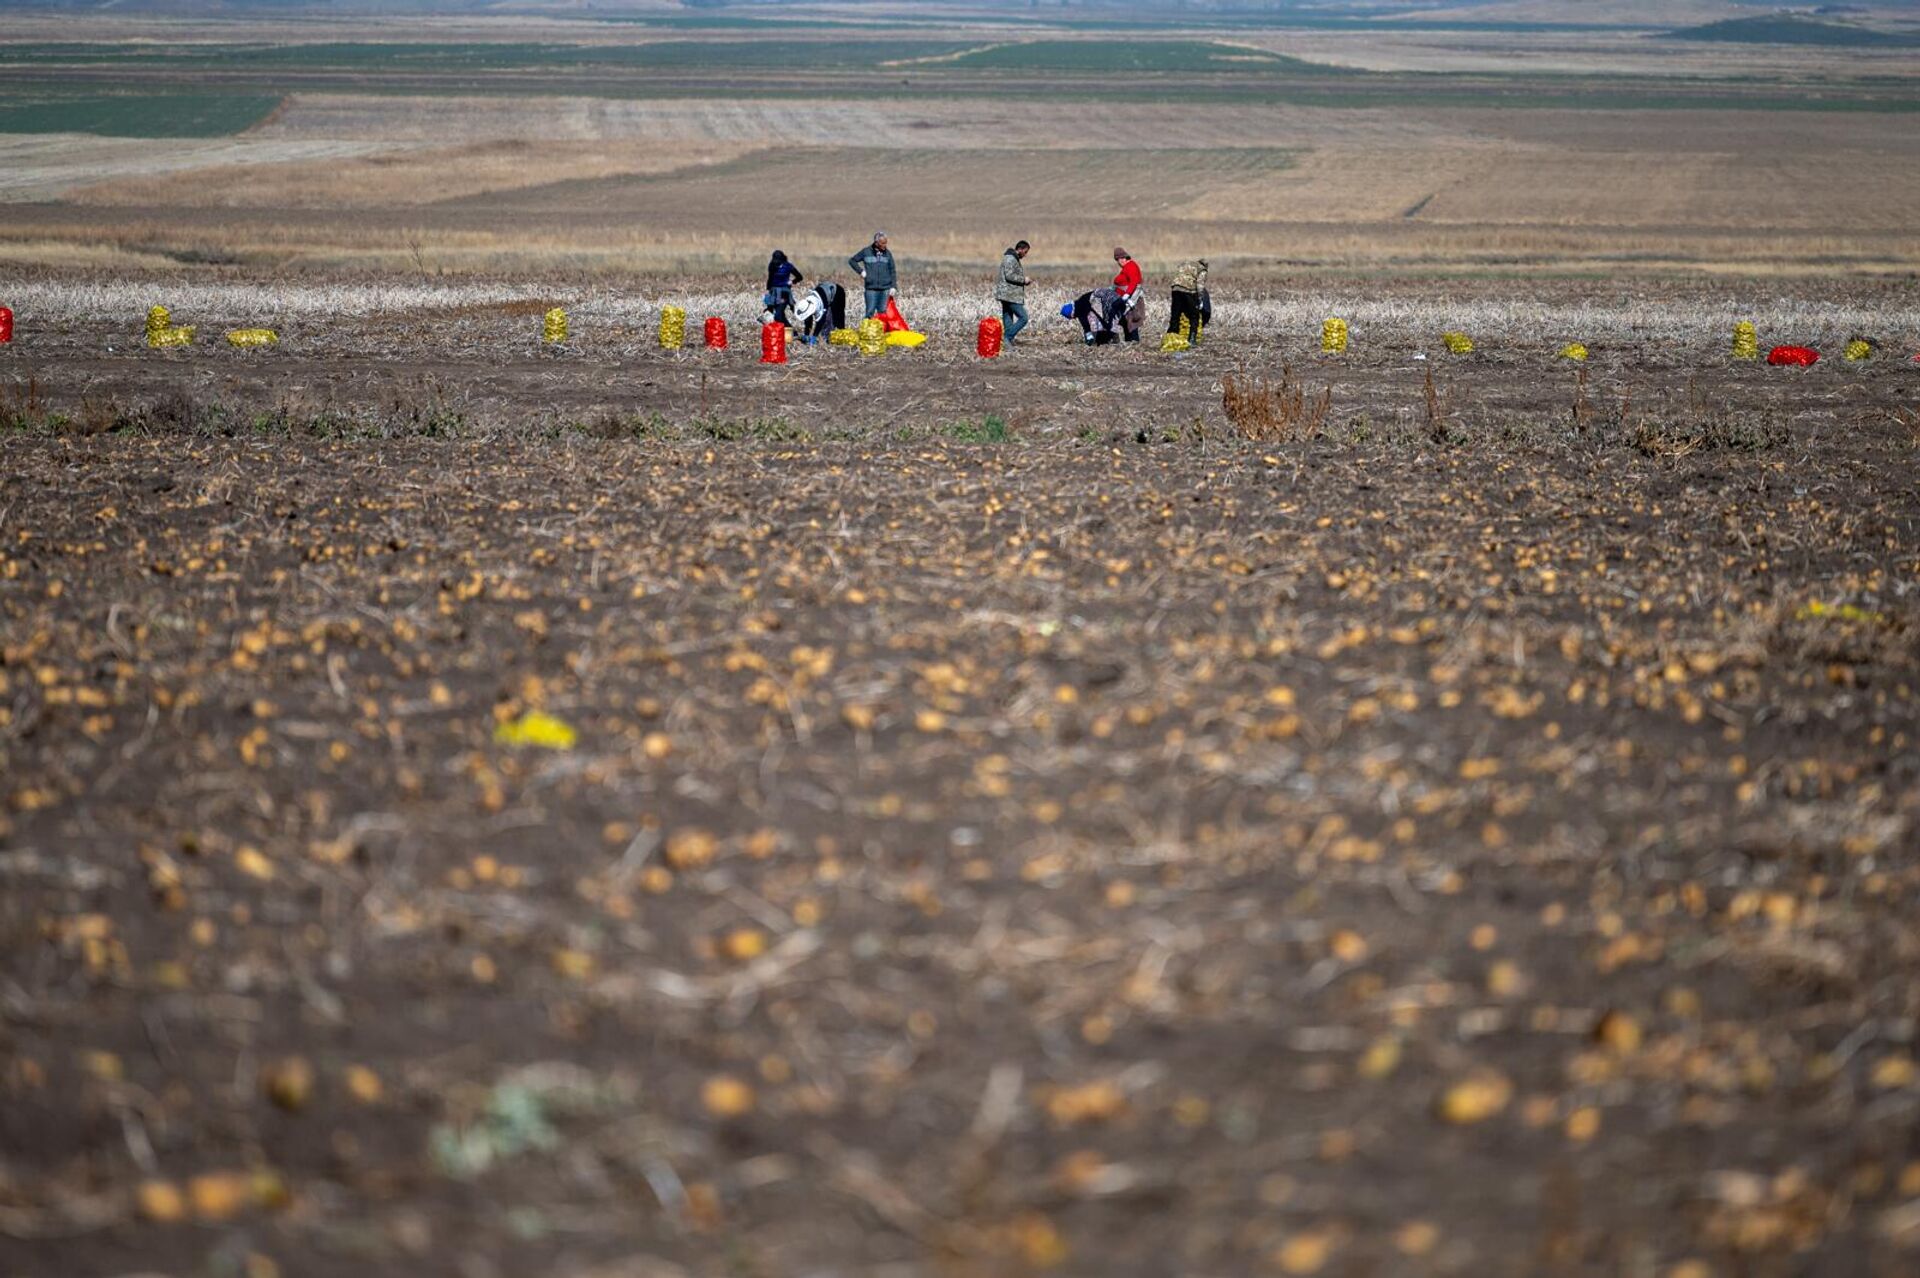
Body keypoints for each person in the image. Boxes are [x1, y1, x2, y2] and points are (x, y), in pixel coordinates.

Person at [848, 232, 897, 320]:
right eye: (883, 243)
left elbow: (892, 270)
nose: (885, 245)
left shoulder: (888, 254)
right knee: (869, 313)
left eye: (886, 243)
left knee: (882, 313)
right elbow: (852, 261)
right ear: (876, 243)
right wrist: (861, 271)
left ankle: (881, 332)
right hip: (871, 289)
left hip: (885, 289)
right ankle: (868, 333)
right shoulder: (866, 252)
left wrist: (893, 286)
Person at [995, 240, 1032, 346]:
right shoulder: (1011, 259)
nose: (1025, 255)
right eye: (1025, 252)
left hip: (1006, 294)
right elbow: (1009, 275)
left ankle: (1007, 343)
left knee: (1008, 317)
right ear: (1020, 249)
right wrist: (1024, 280)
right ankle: (1007, 337)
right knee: (1023, 318)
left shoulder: (1011, 258)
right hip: (1009, 295)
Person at [1110, 247, 1145, 342]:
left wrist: (1126, 295)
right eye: (1117, 259)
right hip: (1124, 299)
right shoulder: (1126, 268)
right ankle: (1129, 341)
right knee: (1125, 321)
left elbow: (1134, 282)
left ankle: (1134, 342)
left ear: (1124, 257)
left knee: (1131, 321)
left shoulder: (1131, 266)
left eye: (1120, 259)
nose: (1119, 261)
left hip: (1131, 300)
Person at [1168, 258, 1208, 342]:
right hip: (1189, 290)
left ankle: (1172, 338)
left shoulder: (1186, 264)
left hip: (1176, 289)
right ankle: (1192, 339)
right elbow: (1200, 285)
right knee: (1194, 315)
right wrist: (1200, 299)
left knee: (1175, 315)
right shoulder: (1202, 269)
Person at [764, 250, 804, 325]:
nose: (776, 263)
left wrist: (792, 281)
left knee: (778, 316)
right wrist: (768, 291)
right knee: (779, 315)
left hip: (783, 294)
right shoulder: (771, 265)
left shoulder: (788, 266)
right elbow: (770, 278)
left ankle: (791, 333)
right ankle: (792, 333)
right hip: (773, 293)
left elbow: (800, 277)